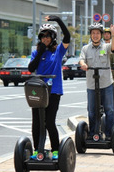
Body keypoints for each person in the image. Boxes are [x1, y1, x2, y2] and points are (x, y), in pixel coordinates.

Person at [28, 15, 70, 160]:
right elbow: (30, 68)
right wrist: (40, 51)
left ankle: (56, 150)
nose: (45, 39)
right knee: (37, 122)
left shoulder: (58, 51)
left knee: (49, 122)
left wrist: (57, 20)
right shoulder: (37, 52)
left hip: (54, 91)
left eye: (48, 36)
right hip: (39, 90)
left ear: (53, 37)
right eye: (43, 36)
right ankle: (37, 150)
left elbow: (68, 36)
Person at [79, 22, 114, 140]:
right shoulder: (85, 49)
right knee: (92, 111)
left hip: (106, 83)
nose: (95, 35)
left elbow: (113, 47)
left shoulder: (105, 47)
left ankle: (109, 134)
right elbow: (81, 59)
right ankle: (93, 134)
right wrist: (83, 64)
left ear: (101, 35)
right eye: (93, 33)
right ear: (90, 35)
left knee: (109, 110)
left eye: (97, 33)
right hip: (91, 84)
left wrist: (113, 34)